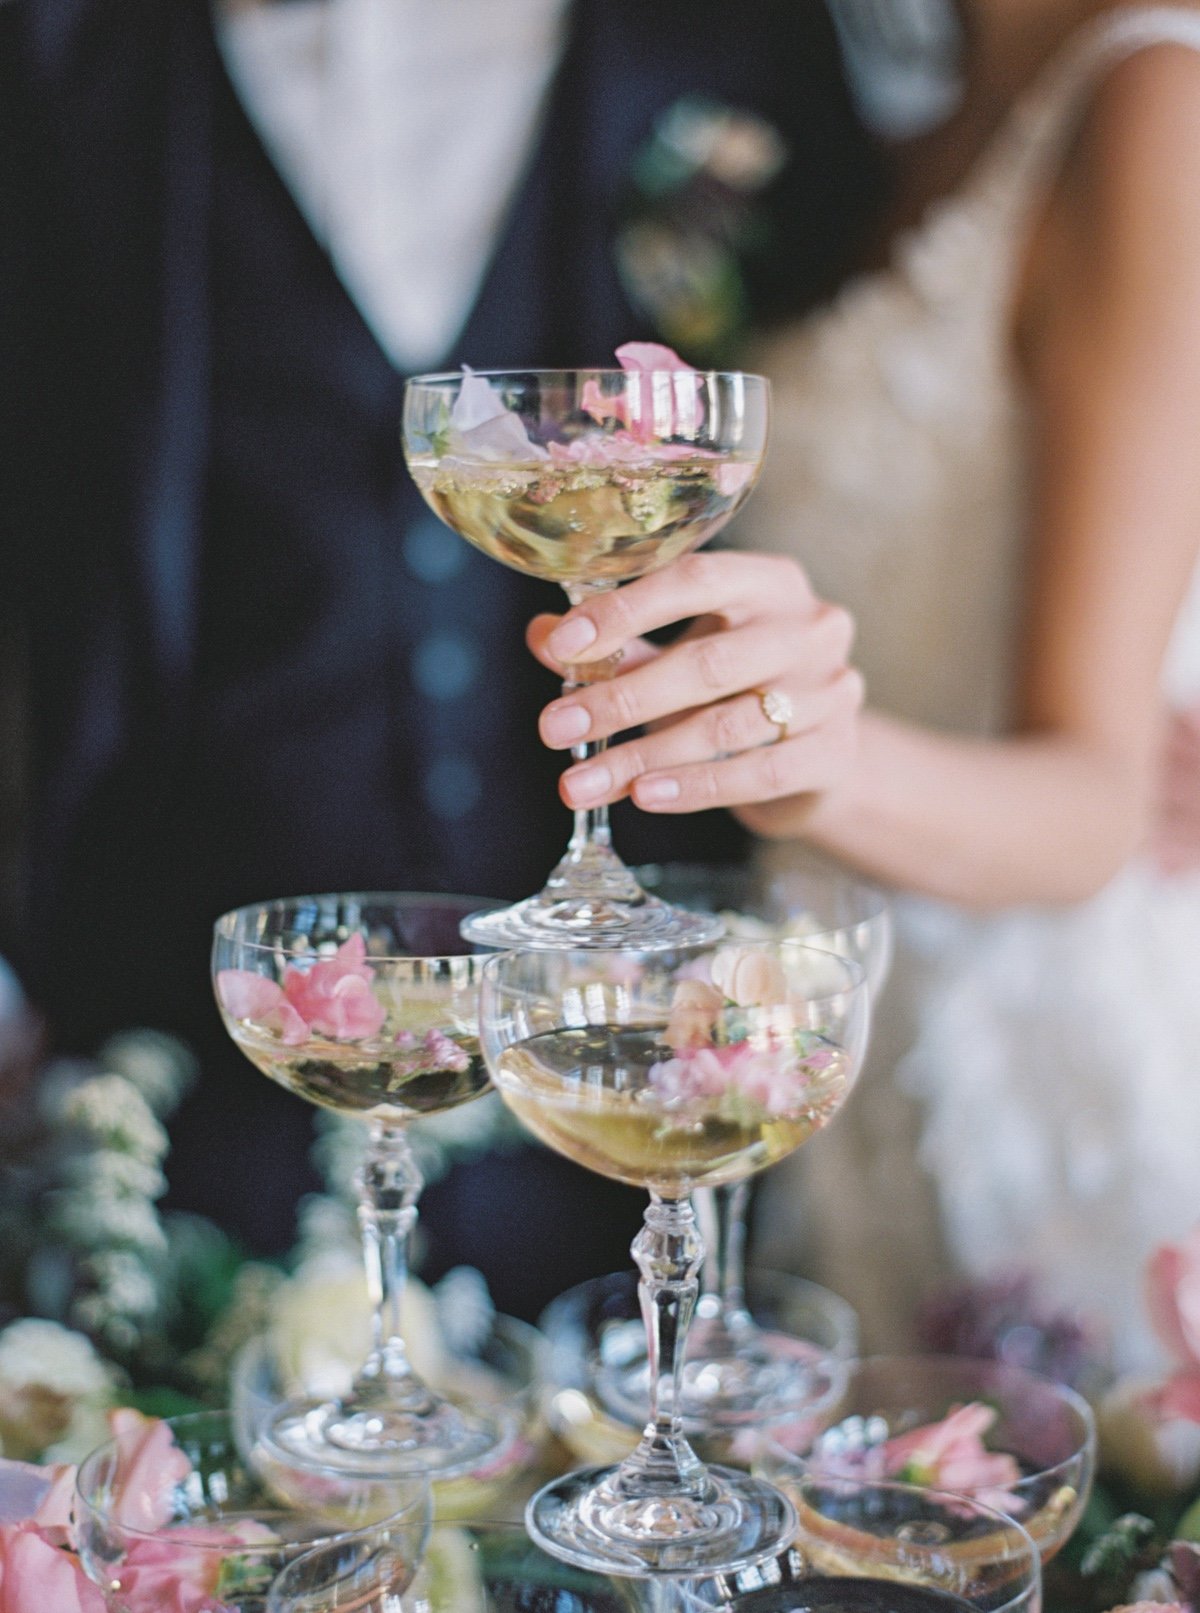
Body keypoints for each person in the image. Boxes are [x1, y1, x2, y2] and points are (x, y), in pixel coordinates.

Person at [0, 0, 886, 1318]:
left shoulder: (734, 44)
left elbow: (887, 359)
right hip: (183, 1041)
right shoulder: (67, 54)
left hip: (634, 1051)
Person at [524, 1, 1200, 1370]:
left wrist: (809, 759)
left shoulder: (1156, 108)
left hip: (1042, 1059)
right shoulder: (875, 114)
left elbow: (1094, 809)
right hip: (829, 1021)